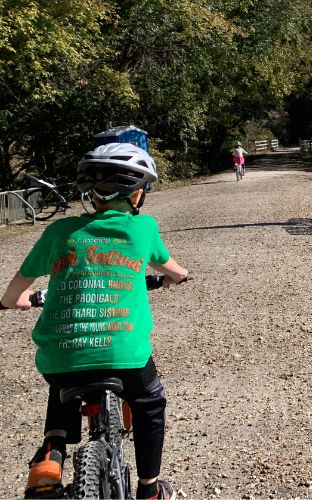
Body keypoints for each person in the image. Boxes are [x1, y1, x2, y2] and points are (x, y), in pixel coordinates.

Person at [0, 143, 188, 500]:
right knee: (149, 401)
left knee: (64, 380)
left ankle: (51, 457)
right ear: (136, 194)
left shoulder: (60, 232)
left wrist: (19, 302)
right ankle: (149, 489)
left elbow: (13, 294)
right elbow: (175, 271)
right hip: (126, 356)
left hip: (61, 360)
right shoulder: (143, 229)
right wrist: (175, 277)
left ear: (91, 194)